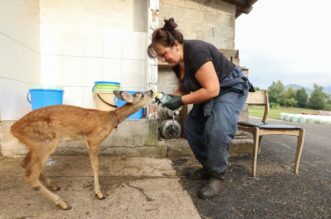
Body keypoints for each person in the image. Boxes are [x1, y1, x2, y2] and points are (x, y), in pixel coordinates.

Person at [148, 18, 254, 199]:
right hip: (211, 89)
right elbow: (186, 86)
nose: (162, 59)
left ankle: (216, 175)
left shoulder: (196, 52)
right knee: (192, 127)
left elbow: (212, 89)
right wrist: (171, 98)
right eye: (159, 57)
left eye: (163, 54)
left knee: (217, 128)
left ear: (176, 45)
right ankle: (208, 168)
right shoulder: (177, 64)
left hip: (229, 87)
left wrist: (180, 101)